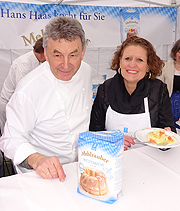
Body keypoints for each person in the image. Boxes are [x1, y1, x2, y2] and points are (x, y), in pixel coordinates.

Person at [0, 16, 93, 181]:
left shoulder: (86, 71)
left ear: (83, 52)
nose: (66, 65)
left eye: (73, 55)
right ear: (46, 53)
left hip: (80, 167)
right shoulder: (28, 89)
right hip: (42, 175)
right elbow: (10, 139)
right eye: (57, 55)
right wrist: (37, 159)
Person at [89, 36, 176, 151]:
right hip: (112, 157)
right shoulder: (105, 89)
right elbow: (94, 131)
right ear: (120, 62)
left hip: (150, 160)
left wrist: (166, 138)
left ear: (148, 66)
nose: (132, 64)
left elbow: (169, 130)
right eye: (128, 58)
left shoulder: (158, 90)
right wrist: (111, 139)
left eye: (139, 60)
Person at [0, 37, 45, 134]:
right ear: (43, 52)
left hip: (19, 105)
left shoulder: (38, 62)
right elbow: (22, 90)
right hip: (9, 104)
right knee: (9, 137)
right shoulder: (23, 63)